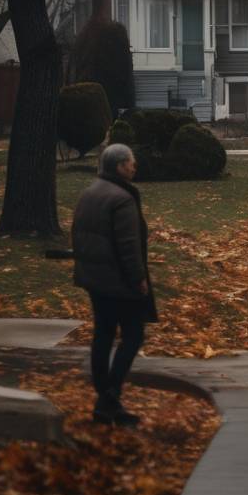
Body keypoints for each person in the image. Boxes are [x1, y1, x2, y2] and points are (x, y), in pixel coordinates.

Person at [71, 143, 158, 427]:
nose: (134, 167)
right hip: (119, 282)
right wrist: (139, 280)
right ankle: (109, 397)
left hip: (95, 280)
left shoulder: (90, 193)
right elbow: (129, 246)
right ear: (119, 166)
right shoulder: (122, 199)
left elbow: (80, 237)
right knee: (133, 336)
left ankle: (106, 399)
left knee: (103, 335)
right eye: (131, 163)